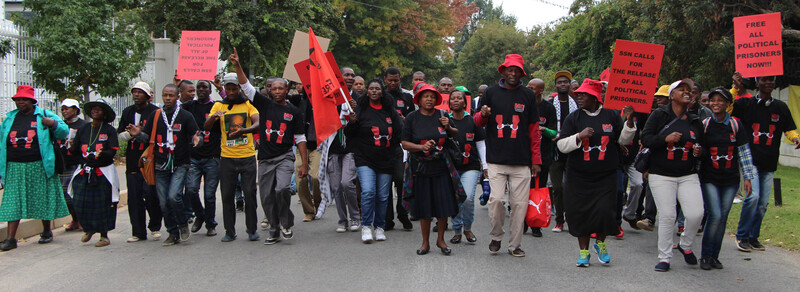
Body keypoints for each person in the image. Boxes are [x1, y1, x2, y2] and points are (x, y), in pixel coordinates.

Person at [556, 79, 636, 267]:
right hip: (579, 175)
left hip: (605, 175)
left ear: (595, 97)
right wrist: (578, 136)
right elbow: (561, 145)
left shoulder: (611, 116)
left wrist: (629, 123)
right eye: (579, 94)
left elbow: (623, 141)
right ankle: (584, 252)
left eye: (583, 95)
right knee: (581, 214)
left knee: (604, 211)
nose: (579, 97)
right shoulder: (574, 118)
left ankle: (600, 243)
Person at [474, 54, 542, 257]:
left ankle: (515, 244)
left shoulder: (528, 96)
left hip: (522, 161)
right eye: (509, 70)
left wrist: (536, 160)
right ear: (503, 71)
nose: (513, 74)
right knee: (496, 200)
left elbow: (534, 131)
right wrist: (484, 115)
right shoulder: (491, 93)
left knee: (520, 206)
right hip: (495, 159)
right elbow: (478, 122)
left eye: (517, 71)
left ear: (522, 73)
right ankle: (496, 236)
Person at [641, 79, 704, 272]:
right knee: (668, 216)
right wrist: (664, 139)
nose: (687, 92)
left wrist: (699, 151)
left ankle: (685, 245)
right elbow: (645, 139)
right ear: (672, 95)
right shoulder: (659, 115)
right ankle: (664, 257)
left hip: (688, 174)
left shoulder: (694, 119)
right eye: (681, 90)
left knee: (696, 214)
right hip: (661, 174)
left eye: (689, 90)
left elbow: (703, 145)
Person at [732, 75, 800, 252]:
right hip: (750, 161)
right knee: (752, 197)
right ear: (757, 83)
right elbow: (727, 107)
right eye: (764, 80)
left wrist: (796, 138)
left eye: (771, 80)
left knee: (762, 203)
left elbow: (789, 128)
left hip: (769, 162)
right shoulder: (746, 104)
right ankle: (742, 236)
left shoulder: (780, 107)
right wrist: (735, 87)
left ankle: (753, 237)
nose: (768, 82)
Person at [0, 85, 70, 251]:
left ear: (32, 101)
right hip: (14, 167)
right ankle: (10, 239)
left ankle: (46, 231)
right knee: (13, 202)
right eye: (17, 99)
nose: (20, 102)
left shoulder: (44, 115)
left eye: (24, 99)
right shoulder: (10, 119)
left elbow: (63, 132)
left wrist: (52, 124)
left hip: (39, 165)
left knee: (41, 198)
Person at [129, 84, 200, 246]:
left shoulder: (185, 116)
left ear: (177, 97)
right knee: (163, 201)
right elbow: (147, 138)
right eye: (165, 95)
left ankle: (182, 224)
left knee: (173, 196)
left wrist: (197, 140)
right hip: (160, 164)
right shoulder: (156, 115)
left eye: (171, 95)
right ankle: (172, 232)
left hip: (180, 164)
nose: (168, 98)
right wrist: (137, 134)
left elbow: (196, 135)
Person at [401, 84, 463, 255]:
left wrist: (448, 126)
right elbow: (404, 143)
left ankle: (441, 240)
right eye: (425, 96)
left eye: (432, 96)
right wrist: (421, 148)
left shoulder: (442, 115)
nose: (429, 99)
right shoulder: (412, 118)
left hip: (442, 167)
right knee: (424, 206)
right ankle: (425, 242)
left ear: (436, 100)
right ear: (419, 99)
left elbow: (455, 134)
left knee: (443, 205)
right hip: (420, 168)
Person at [698, 88, 755, 270]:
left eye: (720, 100)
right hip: (709, 178)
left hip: (730, 180)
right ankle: (705, 255)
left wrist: (748, 177)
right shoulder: (705, 125)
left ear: (728, 104)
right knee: (714, 215)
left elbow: (744, 152)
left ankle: (715, 256)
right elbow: (698, 148)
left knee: (722, 217)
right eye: (713, 100)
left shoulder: (736, 125)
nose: (716, 103)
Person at [207, 49, 261, 242]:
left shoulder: (248, 105)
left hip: (246, 157)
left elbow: (257, 123)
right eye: (228, 89)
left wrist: (244, 131)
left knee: (249, 194)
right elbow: (205, 127)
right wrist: (213, 117)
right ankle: (230, 231)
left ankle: (252, 229)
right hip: (227, 158)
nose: (231, 92)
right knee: (227, 195)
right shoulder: (219, 106)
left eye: (234, 88)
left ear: (239, 88)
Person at [345, 78, 403, 243]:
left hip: (386, 159)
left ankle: (379, 227)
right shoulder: (360, 110)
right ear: (367, 91)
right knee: (369, 192)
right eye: (371, 88)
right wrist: (353, 123)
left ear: (382, 91)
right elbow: (349, 134)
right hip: (365, 159)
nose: (375, 91)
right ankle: (366, 226)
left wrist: (392, 150)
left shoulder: (390, 111)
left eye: (378, 88)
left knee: (383, 196)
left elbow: (399, 133)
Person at [69, 99, 120, 247]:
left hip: (103, 172)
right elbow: (76, 150)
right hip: (85, 170)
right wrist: (72, 147)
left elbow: (112, 151)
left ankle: (104, 236)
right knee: (80, 201)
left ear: (104, 114)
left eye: (99, 109)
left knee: (103, 203)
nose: (95, 111)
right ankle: (89, 228)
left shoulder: (109, 130)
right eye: (94, 109)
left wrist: (102, 154)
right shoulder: (84, 129)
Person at [118, 81, 163, 243]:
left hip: (149, 161)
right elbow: (120, 135)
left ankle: (155, 227)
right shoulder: (127, 112)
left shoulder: (156, 113)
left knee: (151, 195)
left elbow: (157, 136)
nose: (136, 95)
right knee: (134, 198)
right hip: (132, 161)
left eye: (140, 92)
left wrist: (140, 133)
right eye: (134, 92)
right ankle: (138, 231)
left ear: (148, 95)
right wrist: (131, 134)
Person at [182, 80, 221, 236]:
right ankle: (200, 215)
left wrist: (221, 88)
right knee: (191, 190)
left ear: (210, 90)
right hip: (193, 157)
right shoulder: (189, 106)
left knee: (209, 194)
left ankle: (210, 224)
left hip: (212, 157)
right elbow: (174, 107)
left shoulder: (217, 106)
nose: (201, 90)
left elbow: (230, 103)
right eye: (198, 87)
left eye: (205, 87)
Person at [447, 90, 486, 244]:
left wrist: (486, 165)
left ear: (465, 102)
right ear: (449, 103)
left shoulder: (473, 121)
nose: (456, 100)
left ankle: (468, 228)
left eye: (459, 98)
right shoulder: (445, 121)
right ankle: (457, 230)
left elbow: (481, 144)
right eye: (453, 98)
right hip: (451, 167)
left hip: (471, 165)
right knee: (455, 197)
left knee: (468, 197)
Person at [383, 67, 414, 231]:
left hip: (401, 146)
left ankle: (403, 213)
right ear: (385, 80)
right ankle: (388, 218)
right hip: (383, 146)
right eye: (390, 80)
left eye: (396, 80)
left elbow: (412, 120)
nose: (393, 83)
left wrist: (404, 119)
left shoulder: (407, 97)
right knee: (385, 183)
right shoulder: (379, 96)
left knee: (401, 181)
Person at [525, 78, 557, 237]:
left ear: (540, 91)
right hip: (524, 155)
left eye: (532, 88)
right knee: (523, 190)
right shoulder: (522, 105)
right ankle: (523, 222)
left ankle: (536, 224)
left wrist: (542, 129)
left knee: (539, 188)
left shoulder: (549, 108)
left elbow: (554, 133)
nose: (528, 89)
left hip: (543, 155)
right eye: (528, 87)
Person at [550, 70, 577, 233]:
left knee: (571, 186)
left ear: (569, 84)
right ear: (555, 85)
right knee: (558, 187)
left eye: (565, 82)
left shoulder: (576, 104)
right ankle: (559, 220)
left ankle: (572, 219)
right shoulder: (550, 103)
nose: (562, 84)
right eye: (559, 82)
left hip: (573, 148)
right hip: (555, 151)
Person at [57, 98, 88, 231]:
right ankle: (75, 219)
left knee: (77, 193)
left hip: (78, 164)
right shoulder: (61, 126)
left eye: (67, 108)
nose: (64, 111)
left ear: (75, 110)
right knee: (65, 195)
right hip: (63, 164)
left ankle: (82, 220)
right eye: (62, 109)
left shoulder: (84, 125)